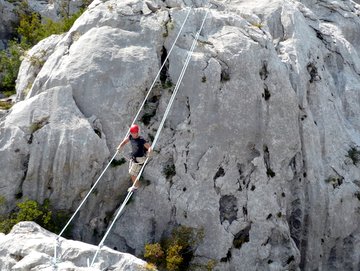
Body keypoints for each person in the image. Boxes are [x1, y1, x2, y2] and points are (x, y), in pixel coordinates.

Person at [117, 124, 152, 192]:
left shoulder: (141, 140)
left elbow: (149, 148)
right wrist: (119, 147)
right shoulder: (131, 137)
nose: (133, 135)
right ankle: (136, 185)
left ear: (137, 132)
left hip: (139, 159)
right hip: (134, 158)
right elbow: (125, 141)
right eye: (132, 133)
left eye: (134, 133)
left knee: (132, 173)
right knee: (131, 172)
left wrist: (149, 153)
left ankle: (136, 186)